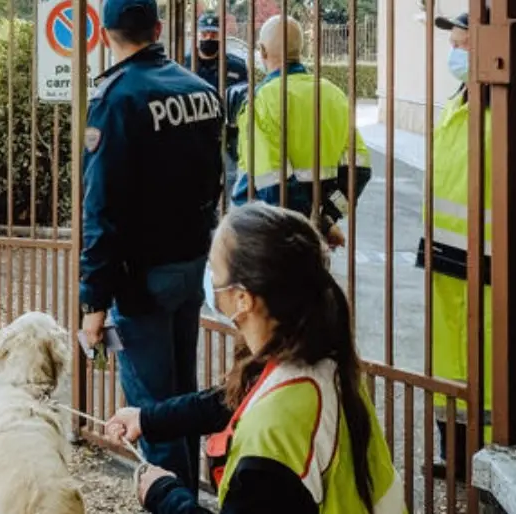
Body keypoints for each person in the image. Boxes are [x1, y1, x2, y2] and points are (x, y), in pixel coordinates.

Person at [104, 202, 406, 514]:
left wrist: (164, 494)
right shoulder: (319, 354)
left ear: (243, 299)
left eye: (214, 271)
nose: (209, 279)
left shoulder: (268, 438)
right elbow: (233, 400)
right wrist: (146, 419)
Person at [78, 0, 225, 496]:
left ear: (103, 33)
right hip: (190, 266)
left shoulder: (116, 99)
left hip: (141, 279)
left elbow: (100, 212)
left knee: (151, 411)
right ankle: (188, 492)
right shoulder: (201, 90)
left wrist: (93, 302)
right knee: (179, 397)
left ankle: (171, 500)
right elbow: (215, 180)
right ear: (158, 28)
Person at [414, 10, 493, 479]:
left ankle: (485, 456)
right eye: (454, 44)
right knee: (447, 359)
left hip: (485, 258)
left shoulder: (501, 110)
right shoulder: (457, 102)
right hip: (445, 253)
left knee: (482, 356)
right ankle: (455, 453)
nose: (454, 53)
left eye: (463, 44)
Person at [230, 15, 372, 248]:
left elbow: (275, 185)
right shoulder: (333, 95)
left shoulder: (261, 100)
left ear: (262, 51)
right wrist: (326, 218)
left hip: (263, 234)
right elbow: (360, 170)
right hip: (313, 239)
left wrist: (315, 226)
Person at [182, 11, 249, 197]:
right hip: (195, 135)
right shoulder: (184, 65)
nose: (208, 38)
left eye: (213, 34)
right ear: (196, 36)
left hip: (228, 138)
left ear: (222, 36)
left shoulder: (237, 66)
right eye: (204, 34)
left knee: (231, 185)